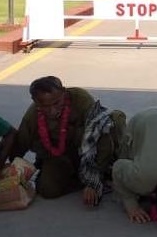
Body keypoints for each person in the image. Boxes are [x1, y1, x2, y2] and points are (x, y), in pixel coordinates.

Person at [13, 76, 126, 204]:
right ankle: (78, 177)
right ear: (36, 102)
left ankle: (102, 172)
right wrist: (10, 172)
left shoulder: (81, 99)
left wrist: (93, 180)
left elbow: (98, 135)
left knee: (109, 124)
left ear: (64, 93)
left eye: (56, 103)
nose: (52, 110)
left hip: (88, 150)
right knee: (47, 190)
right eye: (46, 106)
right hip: (60, 157)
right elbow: (21, 143)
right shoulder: (32, 115)